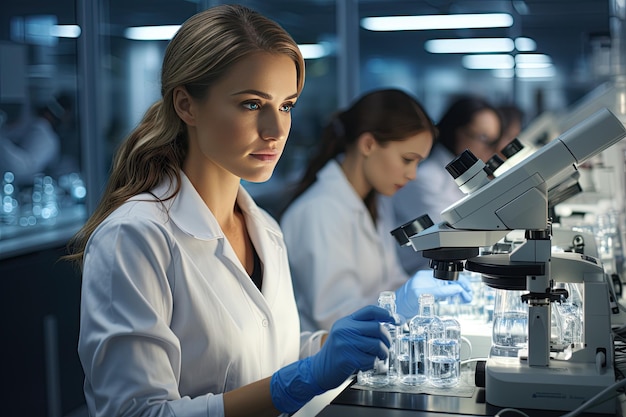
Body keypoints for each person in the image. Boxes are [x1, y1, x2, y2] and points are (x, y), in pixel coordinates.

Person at [64, 5, 394, 417]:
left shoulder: (264, 229)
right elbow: (135, 413)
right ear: (187, 106)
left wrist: (331, 349)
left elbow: (269, 356)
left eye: (286, 105)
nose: (275, 131)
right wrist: (301, 379)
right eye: (252, 105)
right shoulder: (134, 237)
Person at [280, 89, 473, 333]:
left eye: (418, 163)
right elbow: (335, 318)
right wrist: (402, 302)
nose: (412, 175)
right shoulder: (318, 211)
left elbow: (390, 281)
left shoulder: (375, 201)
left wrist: (427, 293)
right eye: (407, 159)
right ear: (369, 144)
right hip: (333, 360)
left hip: (374, 349)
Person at [391, 95, 503, 275]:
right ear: (458, 132)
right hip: (417, 273)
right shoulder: (424, 179)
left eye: (493, 141)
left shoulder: (464, 177)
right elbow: (451, 240)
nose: (488, 149)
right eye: (483, 137)